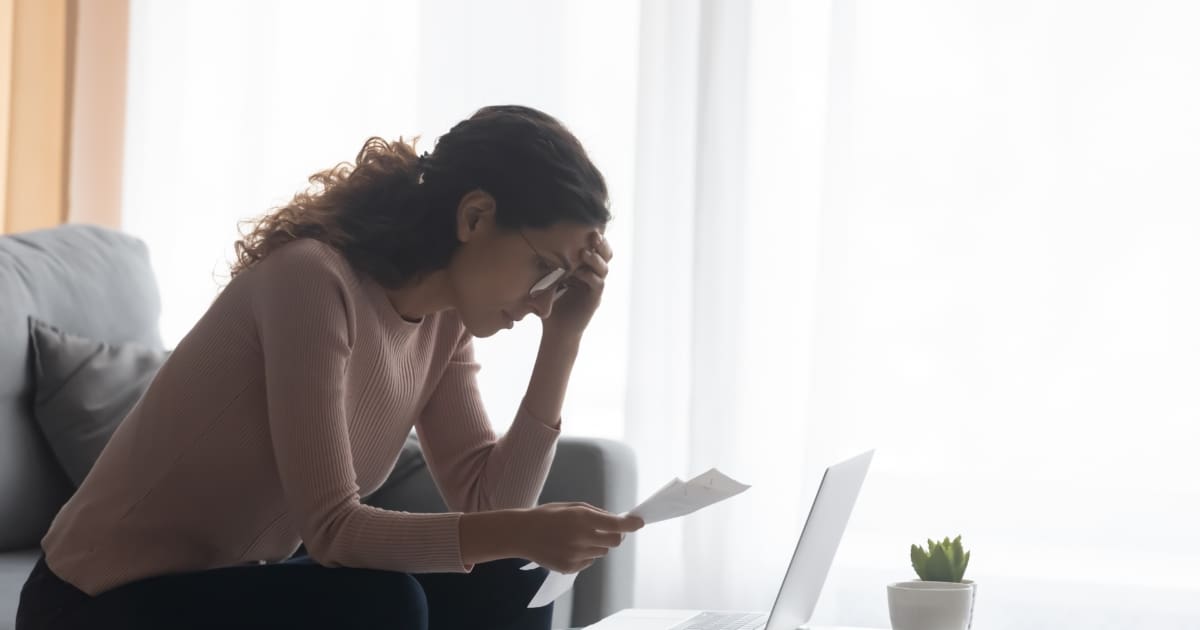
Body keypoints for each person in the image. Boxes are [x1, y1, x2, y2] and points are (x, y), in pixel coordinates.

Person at [15, 105, 644, 630]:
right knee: (382, 605)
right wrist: (521, 530)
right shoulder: (313, 281)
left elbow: (491, 504)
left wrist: (563, 338)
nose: (542, 301)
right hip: (91, 602)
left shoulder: (445, 323)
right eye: (545, 270)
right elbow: (334, 530)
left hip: (228, 587)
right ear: (474, 217)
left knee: (511, 574)